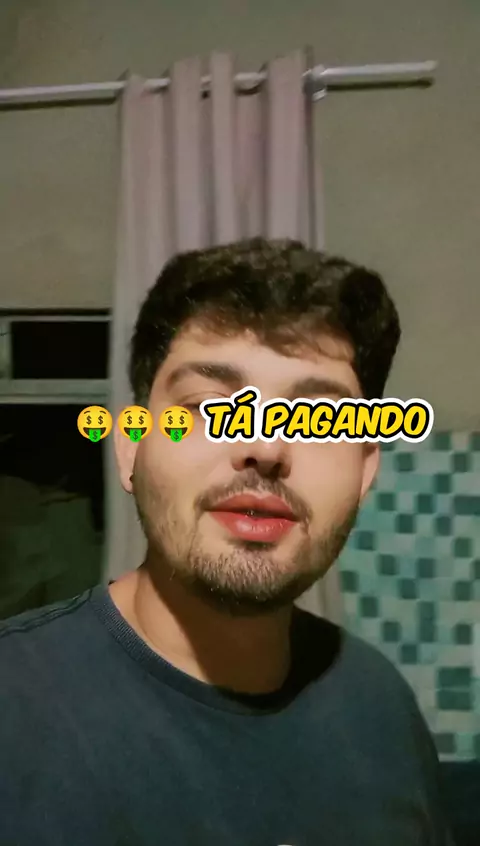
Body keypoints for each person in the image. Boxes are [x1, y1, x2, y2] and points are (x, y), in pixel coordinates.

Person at [0, 238, 454, 846]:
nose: (264, 445)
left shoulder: (379, 703)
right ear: (131, 449)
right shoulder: (14, 707)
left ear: (364, 471)